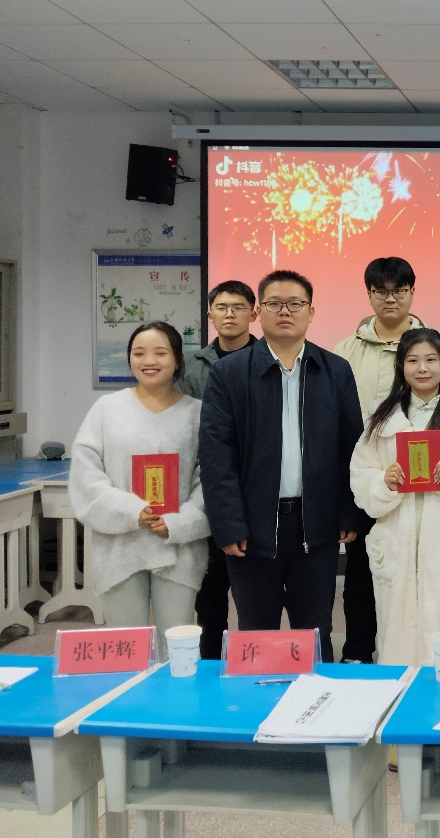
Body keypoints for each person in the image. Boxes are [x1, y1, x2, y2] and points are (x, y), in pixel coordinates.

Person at [200, 269, 367, 663]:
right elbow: (216, 455)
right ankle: (258, 699)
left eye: (295, 304)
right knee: (257, 634)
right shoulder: (229, 373)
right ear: (259, 312)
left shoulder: (335, 370)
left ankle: (318, 701)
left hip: (317, 526)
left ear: (311, 312)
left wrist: (348, 512)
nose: (285, 312)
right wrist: (228, 524)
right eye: (275, 304)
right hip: (252, 527)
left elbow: (352, 447)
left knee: (317, 632)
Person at [350, 328, 440, 666]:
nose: (422, 368)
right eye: (413, 361)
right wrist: (384, 481)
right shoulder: (381, 417)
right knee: (396, 629)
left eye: (431, 359)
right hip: (396, 536)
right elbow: (361, 473)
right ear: (401, 366)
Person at [334, 256, 440, 664]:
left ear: (412, 292)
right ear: (369, 294)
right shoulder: (345, 352)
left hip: (425, 485)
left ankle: (416, 654)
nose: (391, 298)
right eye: (381, 291)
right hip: (369, 479)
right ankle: (358, 652)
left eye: (399, 290)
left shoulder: (433, 346)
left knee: (420, 571)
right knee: (362, 572)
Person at [70, 321, 209, 656]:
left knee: (176, 647)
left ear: (177, 359)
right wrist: (131, 510)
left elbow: (210, 479)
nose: (149, 361)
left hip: (178, 548)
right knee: (125, 648)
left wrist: (180, 521)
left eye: (160, 352)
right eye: (139, 353)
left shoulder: (197, 414)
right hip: (120, 546)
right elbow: (86, 474)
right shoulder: (106, 410)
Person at [176, 280, 257, 660]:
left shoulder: (268, 359)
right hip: (204, 487)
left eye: (238, 307)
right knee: (209, 593)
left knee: (253, 590)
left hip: (252, 488)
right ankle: (210, 662)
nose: (229, 314)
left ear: (253, 313)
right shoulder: (191, 366)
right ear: (210, 314)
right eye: (222, 307)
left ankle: (251, 660)